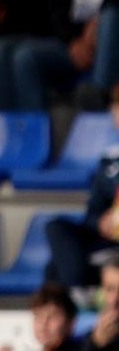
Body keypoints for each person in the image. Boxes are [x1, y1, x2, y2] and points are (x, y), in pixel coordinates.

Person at [42, 86, 119, 288]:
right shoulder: (110, 160)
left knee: (54, 268)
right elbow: (92, 213)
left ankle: (75, 294)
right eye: (116, 106)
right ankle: (78, 289)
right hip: (108, 239)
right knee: (56, 228)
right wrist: (101, 222)